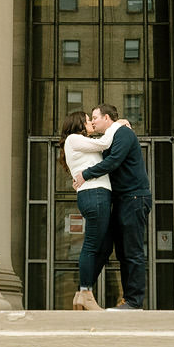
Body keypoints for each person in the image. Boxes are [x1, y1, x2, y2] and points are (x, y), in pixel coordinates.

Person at [72, 103, 150, 311]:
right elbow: (100, 148)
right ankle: (84, 291)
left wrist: (85, 175)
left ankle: (133, 302)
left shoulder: (123, 134)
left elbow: (114, 161)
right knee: (112, 248)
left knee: (131, 251)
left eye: (95, 118)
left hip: (134, 198)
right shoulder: (111, 136)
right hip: (122, 200)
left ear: (107, 118)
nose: (92, 121)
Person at [59, 110, 117, 313]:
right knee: (92, 245)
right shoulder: (74, 139)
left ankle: (81, 293)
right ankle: (85, 292)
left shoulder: (78, 142)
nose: (92, 123)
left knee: (105, 247)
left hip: (97, 195)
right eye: (88, 120)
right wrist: (116, 125)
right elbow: (104, 144)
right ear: (79, 124)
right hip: (94, 195)